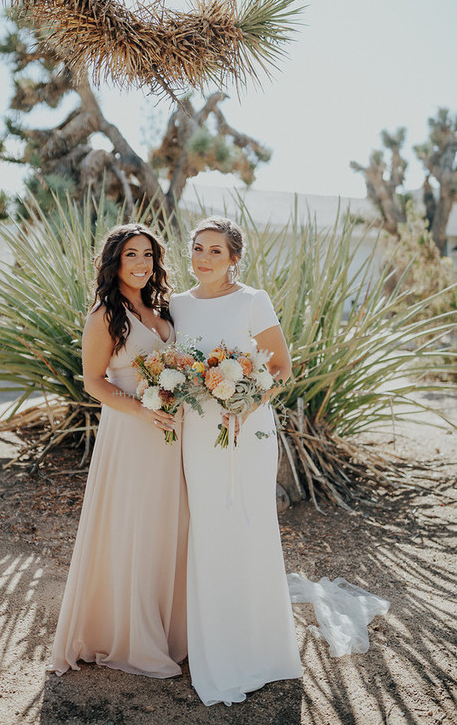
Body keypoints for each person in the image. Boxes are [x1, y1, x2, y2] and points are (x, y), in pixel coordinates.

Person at [169, 216, 304, 706]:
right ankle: (214, 644)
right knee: (208, 527)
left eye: (215, 251)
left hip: (248, 429)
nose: (203, 258)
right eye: (198, 248)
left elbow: (281, 367)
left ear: (234, 259)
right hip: (199, 432)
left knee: (250, 524)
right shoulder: (176, 305)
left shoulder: (253, 300)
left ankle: (262, 646)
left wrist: (243, 403)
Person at [47, 223, 188, 678]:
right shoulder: (105, 314)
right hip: (131, 430)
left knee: (171, 524)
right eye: (132, 254)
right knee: (135, 525)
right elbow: (93, 381)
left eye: (148, 254)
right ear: (115, 261)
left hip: (173, 432)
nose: (142, 263)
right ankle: (128, 634)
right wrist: (141, 411)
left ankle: (172, 630)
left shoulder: (162, 307)